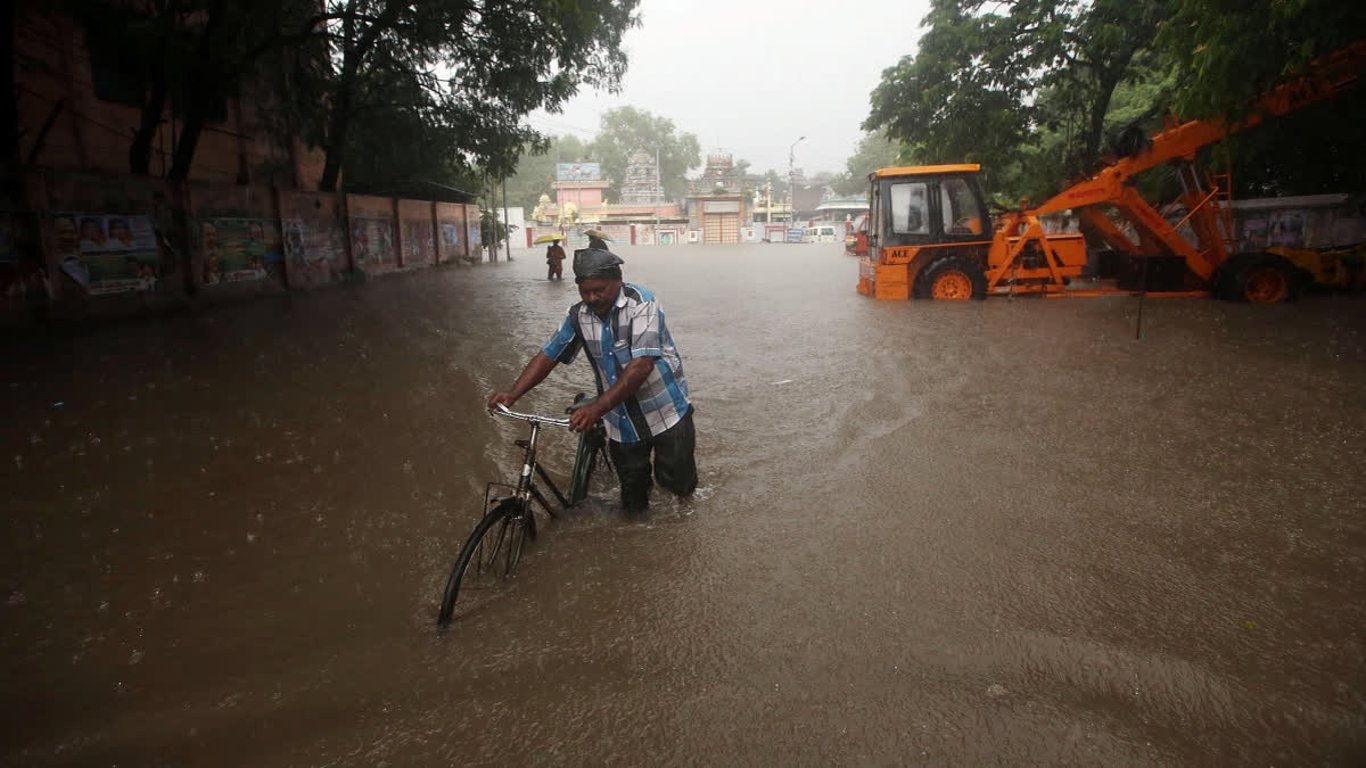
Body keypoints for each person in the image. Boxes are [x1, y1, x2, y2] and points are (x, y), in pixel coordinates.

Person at [488, 247, 697, 515]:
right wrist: (512, 394)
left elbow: (641, 366)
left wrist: (596, 409)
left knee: (680, 492)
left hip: (666, 413)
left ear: (618, 281)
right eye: (585, 291)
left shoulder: (642, 303)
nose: (592, 297)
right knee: (634, 502)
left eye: (600, 290)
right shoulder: (578, 315)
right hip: (622, 422)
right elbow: (548, 355)